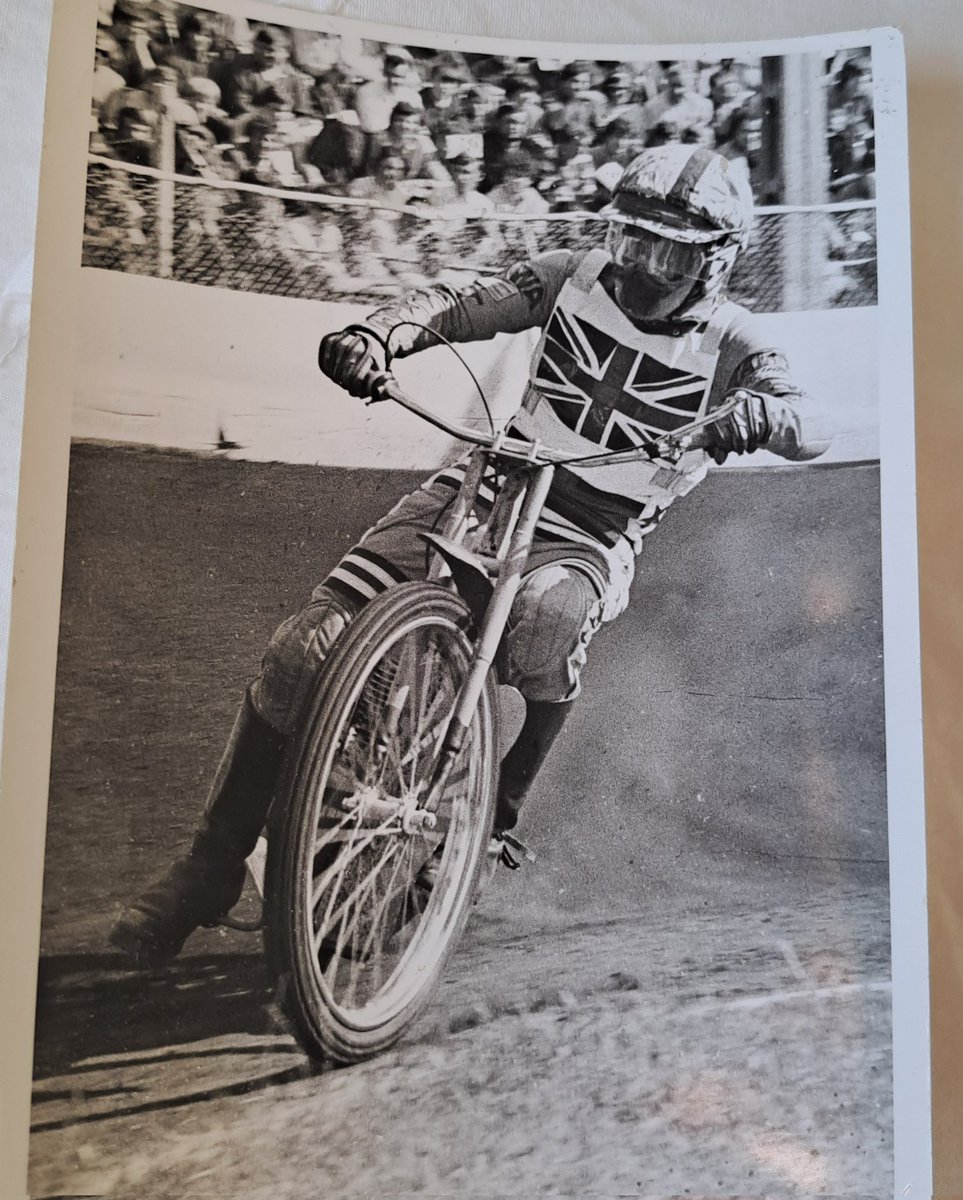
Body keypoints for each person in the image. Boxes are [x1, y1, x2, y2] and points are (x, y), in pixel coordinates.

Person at [110, 144, 831, 966]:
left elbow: (811, 422)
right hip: (489, 480)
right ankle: (209, 866)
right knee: (297, 653)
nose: (636, 265)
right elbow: (462, 302)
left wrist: (763, 419)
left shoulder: (734, 343)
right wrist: (377, 334)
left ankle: (495, 817)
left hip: (594, 527)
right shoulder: (571, 275)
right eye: (629, 239)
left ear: (715, 260)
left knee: (547, 616)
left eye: (663, 251)